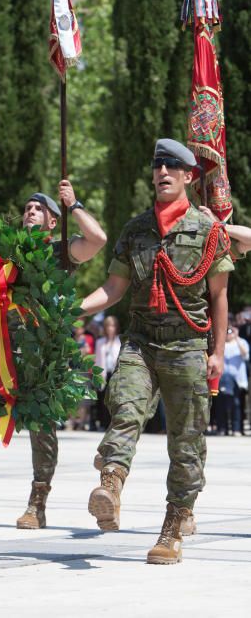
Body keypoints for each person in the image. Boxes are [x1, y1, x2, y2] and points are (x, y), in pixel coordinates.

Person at [81, 138, 233, 565]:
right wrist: (75, 308)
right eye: (157, 166)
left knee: (186, 443)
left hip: (188, 346)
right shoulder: (136, 230)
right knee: (125, 405)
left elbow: (219, 296)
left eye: (172, 166)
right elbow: (114, 288)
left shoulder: (208, 232)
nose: (162, 172)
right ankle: (110, 484)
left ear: (189, 176)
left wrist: (216, 352)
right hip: (142, 341)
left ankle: (173, 525)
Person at [0, 179, 107, 529]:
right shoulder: (6, 253)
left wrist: (73, 205)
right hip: (3, 342)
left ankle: (38, 502)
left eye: (39, 209)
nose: (29, 212)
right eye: (27, 208)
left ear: (51, 221)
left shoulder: (60, 251)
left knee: (41, 429)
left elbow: (97, 241)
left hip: (43, 353)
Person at [216, 324, 249, 436]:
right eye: (227, 332)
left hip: (238, 380)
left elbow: (245, 355)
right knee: (221, 405)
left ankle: (236, 429)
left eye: (230, 332)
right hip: (222, 378)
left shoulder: (242, 342)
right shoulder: (221, 344)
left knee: (236, 404)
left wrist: (237, 337)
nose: (229, 334)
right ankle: (222, 428)